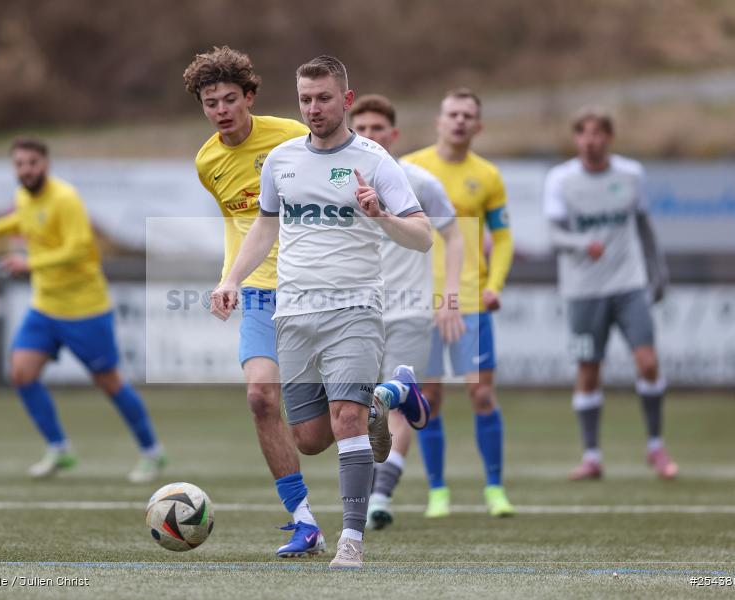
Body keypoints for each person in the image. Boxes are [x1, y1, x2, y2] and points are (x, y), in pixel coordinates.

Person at [211, 55, 432, 570]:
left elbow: (421, 236)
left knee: (347, 419)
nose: (314, 108)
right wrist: (230, 280)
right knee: (310, 439)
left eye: (324, 98)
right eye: (306, 99)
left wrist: (379, 215)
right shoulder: (283, 160)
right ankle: (392, 392)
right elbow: (264, 227)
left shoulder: (375, 161)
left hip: (354, 308)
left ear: (347, 100)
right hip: (294, 314)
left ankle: (351, 540)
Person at [183, 46, 329, 558]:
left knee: (312, 437)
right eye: (210, 102)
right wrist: (230, 280)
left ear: (249, 96)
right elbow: (239, 226)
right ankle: (303, 520)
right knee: (261, 397)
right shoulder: (208, 162)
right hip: (260, 294)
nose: (221, 110)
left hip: (314, 290)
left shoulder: (293, 137)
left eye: (229, 98)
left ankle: (384, 398)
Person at [0, 137, 165, 483]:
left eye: (32, 163)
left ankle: (152, 451)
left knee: (108, 382)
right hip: (45, 307)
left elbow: (77, 249)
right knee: (21, 373)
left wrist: (30, 263)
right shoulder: (24, 197)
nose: (26, 170)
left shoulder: (66, 198)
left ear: (45, 164)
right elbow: (23, 219)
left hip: (85, 308)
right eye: (19, 164)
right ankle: (59, 448)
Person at [348, 94, 464, 530]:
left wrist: (449, 297)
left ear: (393, 135)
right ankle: (372, 486)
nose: (371, 136)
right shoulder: (335, 182)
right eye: (362, 128)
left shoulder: (420, 182)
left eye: (379, 128)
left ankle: (379, 496)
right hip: (357, 311)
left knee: (395, 400)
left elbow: (454, 238)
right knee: (355, 407)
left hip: (411, 309)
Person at [543, 106, 677, 481]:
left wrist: (658, 271)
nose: (590, 140)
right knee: (588, 370)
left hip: (629, 285)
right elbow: (553, 235)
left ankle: (655, 446)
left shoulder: (632, 174)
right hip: (583, 291)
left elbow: (644, 225)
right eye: (583, 133)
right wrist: (581, 242)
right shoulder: (561, 179)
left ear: (609, 138)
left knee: (648, 362)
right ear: (576, 139)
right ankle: (592, 456)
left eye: (597, 133)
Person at [403, 88, 515, 518]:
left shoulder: (487, 176)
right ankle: (437, 492)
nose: (460, 121)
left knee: (482, 394)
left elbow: (503, 238)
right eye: (453, 113)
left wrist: (496, 284)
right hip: (421, 302)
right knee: (428, 397)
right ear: (439, 120)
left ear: (478, 125)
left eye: (468, 115)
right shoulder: (412, 168)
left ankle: (494, 489)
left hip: (470, 301)